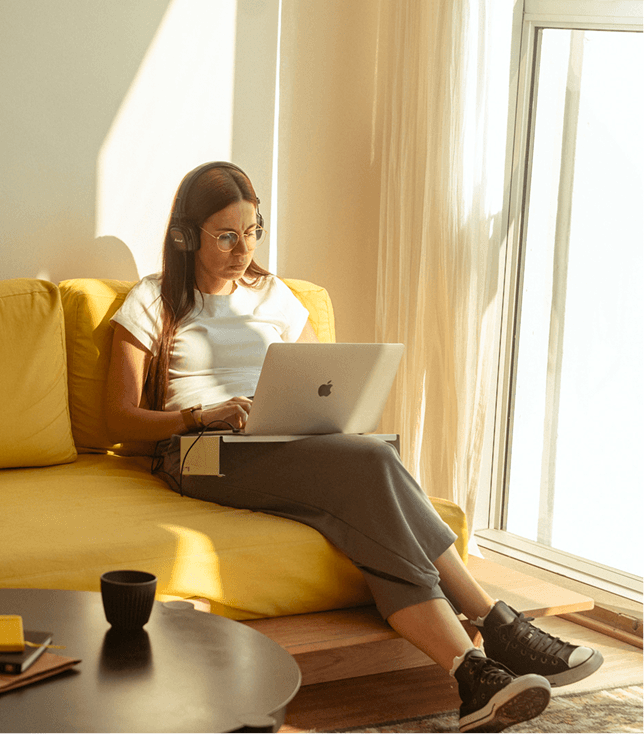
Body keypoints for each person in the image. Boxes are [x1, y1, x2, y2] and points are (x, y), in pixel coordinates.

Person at [105, 162, 603, 733]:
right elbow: (116, 418)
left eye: (253, 231)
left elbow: (321, 376)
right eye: (226, 235)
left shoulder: (275, 295)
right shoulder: (153, 299)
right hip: (200, 450)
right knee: (373, 460)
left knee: (360, 506)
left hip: (287, 444)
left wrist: (323, 414)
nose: (243, 248)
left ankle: (473, 676)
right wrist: (201, 413)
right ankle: (498, 623)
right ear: (185, 236)